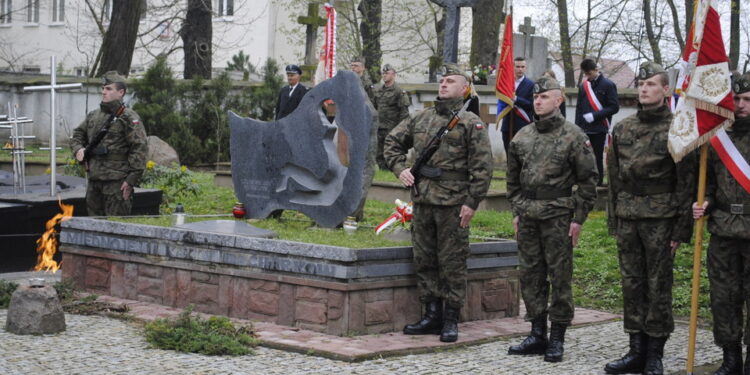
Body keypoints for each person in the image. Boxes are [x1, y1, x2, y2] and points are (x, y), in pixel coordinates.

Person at [384, 63, 493, 343]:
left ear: (464, 87)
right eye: (442, 81)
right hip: (423, 200)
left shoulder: (470, 122)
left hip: (454, 204)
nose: (443, 85)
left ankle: (451, 318)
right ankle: (431, 314)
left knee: (452, 262)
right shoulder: (421, 118)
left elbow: (482, 168)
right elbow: (392, 142)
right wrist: (401, 170)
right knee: (425, 260)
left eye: (450, 81)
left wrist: (472, 202)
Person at [604, 62, 696, 375]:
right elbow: (614, 178)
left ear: (666, 90)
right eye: (641, 84)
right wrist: (613, 219)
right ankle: (635, 350)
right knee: (631, 283)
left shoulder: (679, 127)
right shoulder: (623, 128)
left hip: (661, 219)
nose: (644, 89)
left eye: (652, 84)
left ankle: (655, 352)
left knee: (659, 286)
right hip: (629, 216)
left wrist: (681, 230)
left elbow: (686, 183)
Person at [506, 76, 598, 363]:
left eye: (545, 97)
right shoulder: (522, 136)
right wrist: (518, 210)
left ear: (559, 100)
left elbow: (588, 181)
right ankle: (536, 333)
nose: (538, 101)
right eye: (536, 97)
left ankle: (557, 336)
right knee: (531, 275)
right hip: (529, 215)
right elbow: (512, 180)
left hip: (558, 215)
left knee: (559, 277)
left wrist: (578, 219)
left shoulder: (574, 136)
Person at [692, 73, 750, 375]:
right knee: (723, 298)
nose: (740, 105)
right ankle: (731, 359)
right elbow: (710, 184)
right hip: (724, 230)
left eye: (746, 100)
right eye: (735, 100)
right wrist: (706, 202)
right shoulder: (716, 139)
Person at [71, 71, 148, 216]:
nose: (103, 92)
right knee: (94, 226)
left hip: (117, 183)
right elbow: (77, 135)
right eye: (103, 88)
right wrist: (78, 150)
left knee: (116, 227)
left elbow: (139, 147)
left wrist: (131, 180)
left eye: (108, 89)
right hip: (94, 181)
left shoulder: (128, 117)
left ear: (121, 92)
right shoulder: (93, 115)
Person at [575, 58, 619, 186]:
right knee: (583, 157)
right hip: (584, 128)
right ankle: (585, 181)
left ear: (596, 70)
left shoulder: (608, 85)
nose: (587, 76)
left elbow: (614, 107)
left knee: (598, 157)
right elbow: (579, 108)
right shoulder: (584, 86)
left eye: (589, 73)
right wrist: (578, 127)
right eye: (585, 74)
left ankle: (598, 183)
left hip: (600, 127)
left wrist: (595, 115)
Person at [372, 64, 411, 170]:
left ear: (394, 75)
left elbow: (404, 113)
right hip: (380, 127)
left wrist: (401, 130)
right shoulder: (378, 90)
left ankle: (393, 169)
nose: (384, 75)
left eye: (387, 73)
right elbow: (374, 108)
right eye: (383, 73)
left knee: (391, 151)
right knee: (379, 152)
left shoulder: (399, 91)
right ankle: (382, 170)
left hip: (392, 128)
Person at [501, 57, 535, 153]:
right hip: (507, 124)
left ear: (525, 68)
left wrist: (516, 99)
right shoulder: (506, 83)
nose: (520, 69)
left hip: (522, 125)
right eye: (518, 66)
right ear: (513, 67)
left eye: (522, 67)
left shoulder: (530, 85)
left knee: (521, 155)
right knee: (508, 154)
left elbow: (531, 105)